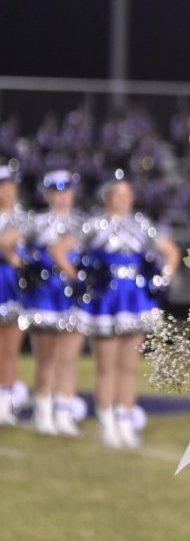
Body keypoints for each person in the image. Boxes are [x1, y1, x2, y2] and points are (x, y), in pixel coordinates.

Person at [53, 176, 180, 448]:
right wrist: (78, 278)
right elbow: (60, 249)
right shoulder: (93, 225)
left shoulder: (140, 225)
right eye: (117, 194)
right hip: (104, 301)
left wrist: (163, 278)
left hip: (134, 301)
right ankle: (106, 421)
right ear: (107, 196)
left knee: (128, 366)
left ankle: (125, 421)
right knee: (106, 366)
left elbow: (171, 251)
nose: (123, 198)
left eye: (127, 194)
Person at [20, 170, 85, 436]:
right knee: (46, 357)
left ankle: (64, 413)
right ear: (47, 194)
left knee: (69, 357)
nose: (61, 197)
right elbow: (16, 249)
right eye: (56, 192)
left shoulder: (84, 223)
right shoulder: (34, 223)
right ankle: (43, 412)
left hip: (75, 293)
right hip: (45, 293)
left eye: (66, 191)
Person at [0, 166, 27, 425]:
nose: (7, 192)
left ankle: (5, 405)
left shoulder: (23, 218)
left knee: (10, 348)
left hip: (14, 284)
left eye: (10, 187)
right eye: (2, 187)